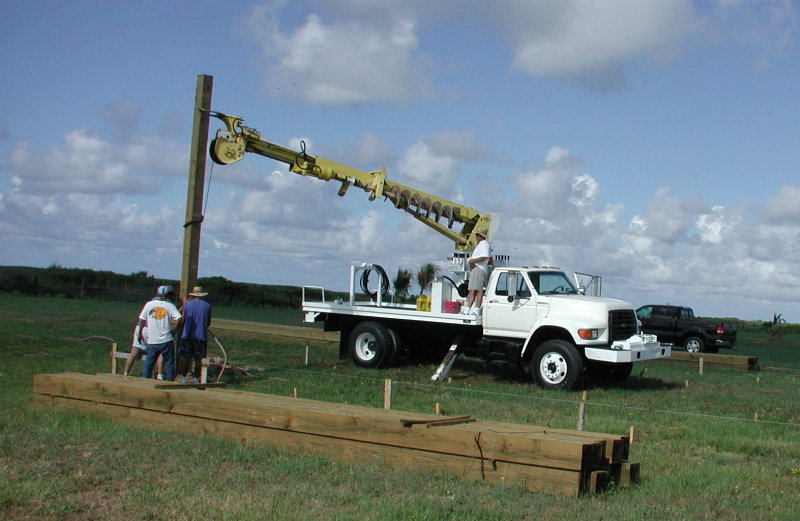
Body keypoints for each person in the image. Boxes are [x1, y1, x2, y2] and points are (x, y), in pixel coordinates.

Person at [138, 285, 182, 381]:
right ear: (168, 295)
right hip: (166, 339)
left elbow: (141, 321)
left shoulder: (149, 304)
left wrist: (139, 334)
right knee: (169, 363)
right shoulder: (170, 305)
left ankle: (144, 381)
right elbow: (179, 318)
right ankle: (168, 382)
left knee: (149, 363)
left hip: (152, 340)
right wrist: (174, 330)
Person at [123, 288, 163, 379]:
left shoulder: (149, 303)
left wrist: (140, 332)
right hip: (150, 329)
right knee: (159, 351)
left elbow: (141, 319)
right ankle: (159, 375)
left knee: (134, 351)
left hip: (140, 327)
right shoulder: (162, 304)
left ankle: (126, 373)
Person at [178, 286, 212, 384]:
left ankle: (183, 379)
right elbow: (208, 322)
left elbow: (183, 319)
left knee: (185, 358)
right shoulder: (207, 305)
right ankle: (196, 379)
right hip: (201, 337)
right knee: (198, 359)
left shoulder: (187, 305)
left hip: (187, 336)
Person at [463, 227, 492, 315]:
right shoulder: (483, 244)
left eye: (476, 235)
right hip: (477, 269)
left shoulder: (483, 244)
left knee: (475, 290)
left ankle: (471, 310)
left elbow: (485, 256)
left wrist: (472, 260)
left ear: (479, 236)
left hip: (478, 269)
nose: (476, 237)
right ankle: (472, 309)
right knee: (476, 290)